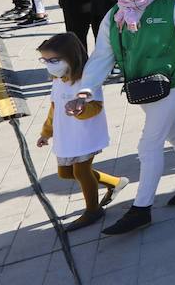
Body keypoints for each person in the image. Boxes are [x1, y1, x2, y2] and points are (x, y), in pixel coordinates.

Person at [73, 0, 175, 236]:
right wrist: (86, 89)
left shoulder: (172, 8)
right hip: (141, 85)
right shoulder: (115, 16)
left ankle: (141, 208)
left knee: (149, 145)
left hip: (170, 82)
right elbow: (102, 55)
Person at [35, 33, 127, 230]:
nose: (50, 65)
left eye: (54, 60)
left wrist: (81, 110)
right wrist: (46, 132)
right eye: (46, 60)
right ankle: (116, 182)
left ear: (71, 57)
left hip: (85, 135)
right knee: (65, 172)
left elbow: (96, 106)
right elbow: (54, 109)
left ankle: (93, 210)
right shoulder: (58, 81)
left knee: (81, 171)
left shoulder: (86, 80)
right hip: (66, 135)